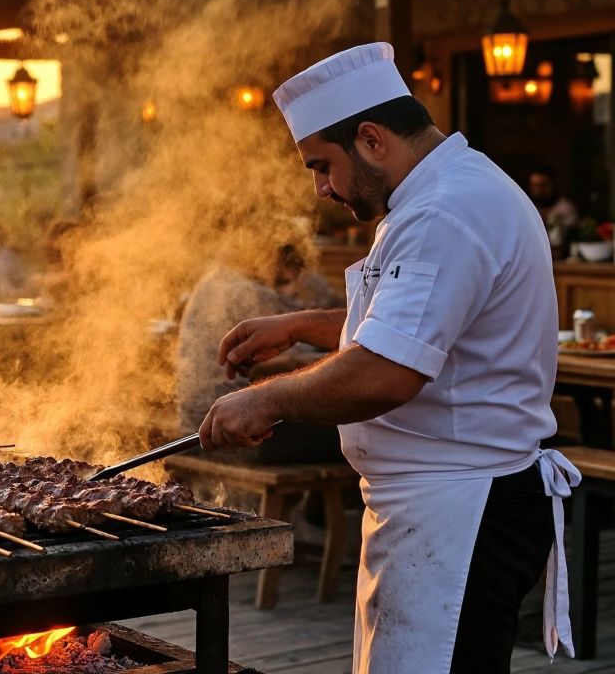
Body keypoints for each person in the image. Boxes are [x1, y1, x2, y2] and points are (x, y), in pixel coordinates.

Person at [202, 43, 578, 672]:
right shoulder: (442, 192)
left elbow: (386, 371)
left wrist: (263, 398)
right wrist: (303, 325)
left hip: (459, 514)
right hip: (435, 509)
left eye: (322, 166)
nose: (322, 189)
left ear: (372, 140)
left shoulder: (445, 209)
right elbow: (412, 327)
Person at [175, 244, 343, 466]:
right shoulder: (249, 293)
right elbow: (295, 362)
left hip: (194, 424)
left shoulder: (214, 281)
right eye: (289, 269)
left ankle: (311, 500)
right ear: (270, 258)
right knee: (356, 425)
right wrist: (350, 361)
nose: (290, 280)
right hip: (229, 431)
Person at [528, 165, 579, 230]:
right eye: (535, 186)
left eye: (543, 185)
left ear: (553, 184)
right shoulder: (527, 209)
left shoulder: (566, 208)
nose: (539, 190)